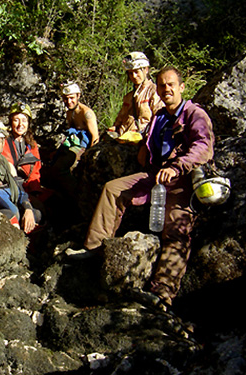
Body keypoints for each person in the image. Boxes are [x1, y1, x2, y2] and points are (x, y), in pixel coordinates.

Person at [70, 66, 214, 307]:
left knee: (176, 227)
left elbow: (203, 147)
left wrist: (177, 167)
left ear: (181, 87)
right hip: (154, 176)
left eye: (171, 84)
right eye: (161, 85)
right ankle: (93, 247)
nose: (166, 89)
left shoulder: (194, 114)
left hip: (181, 179)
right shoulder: (160, 117)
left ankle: (163, 293)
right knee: (113, 189)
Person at [43, 81, 99, 205]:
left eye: (72, 98)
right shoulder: (70, 112)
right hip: (72, 143)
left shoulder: (86, 113)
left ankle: (76, 196)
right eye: (66, 99)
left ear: (78, 96)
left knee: (60, 167)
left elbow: (95, 136)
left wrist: (89, 157)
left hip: (83, 146)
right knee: (51, 162)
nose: (69, 102)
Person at [109, 52, 163, 138]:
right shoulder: (128, 97)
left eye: (136, 72)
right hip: (124, 139)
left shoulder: (154, 91)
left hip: (142, 140)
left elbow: (159, 118)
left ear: (146, 69)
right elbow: (120, 119)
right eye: (130, 73)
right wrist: (114, 128)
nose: (134, 76)